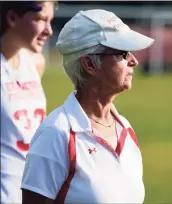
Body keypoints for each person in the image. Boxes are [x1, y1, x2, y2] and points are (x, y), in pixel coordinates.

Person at [21, 9, 154, 204]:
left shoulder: (125, 129)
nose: (133, 61)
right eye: (123, 53)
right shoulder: (56, 134)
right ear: (90, 64)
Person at [0, 1, 55, 203]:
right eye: (41, 20)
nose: (49, 30)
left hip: (33, 190)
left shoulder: (35, 63)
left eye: (51, 21)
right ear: (12, 18)